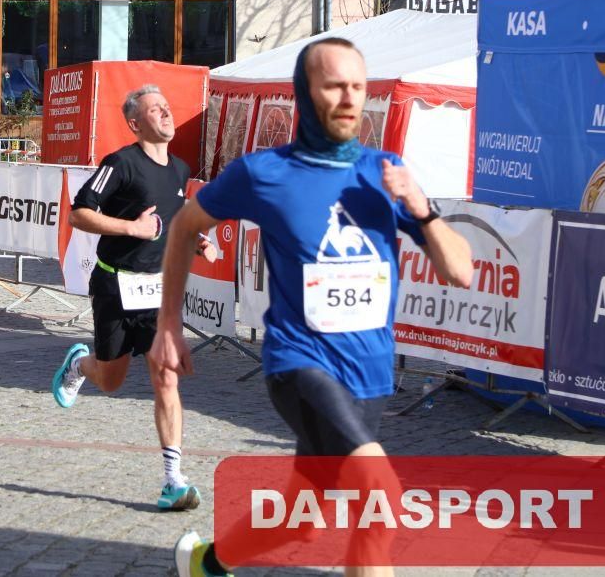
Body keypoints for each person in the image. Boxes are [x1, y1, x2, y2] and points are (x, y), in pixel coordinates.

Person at [153, 38, 474, 576]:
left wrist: (422, 209)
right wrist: (168, 325)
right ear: (305, 94)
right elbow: (185, 226)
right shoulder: (264, 173)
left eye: (358, 87)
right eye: (334, 87)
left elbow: (460, 270)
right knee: (380, 498)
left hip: (369, 374)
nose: (349, 99)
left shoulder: (385, 171)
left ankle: (206, 563)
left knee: (304, 515)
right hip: (300, 364)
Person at [51, 84, 216, 511]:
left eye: (166, 106)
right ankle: (80, 364)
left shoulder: (180, 169)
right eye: (155, 109)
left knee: (166, 377)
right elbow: (78, 213)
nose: (165, 113)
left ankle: (173, 480)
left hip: (157, 291)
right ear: (135, 123)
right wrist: (132, 229)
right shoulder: (121, 163)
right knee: (111, 381)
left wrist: (197, 240)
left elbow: (173, 218)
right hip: (114, 286)